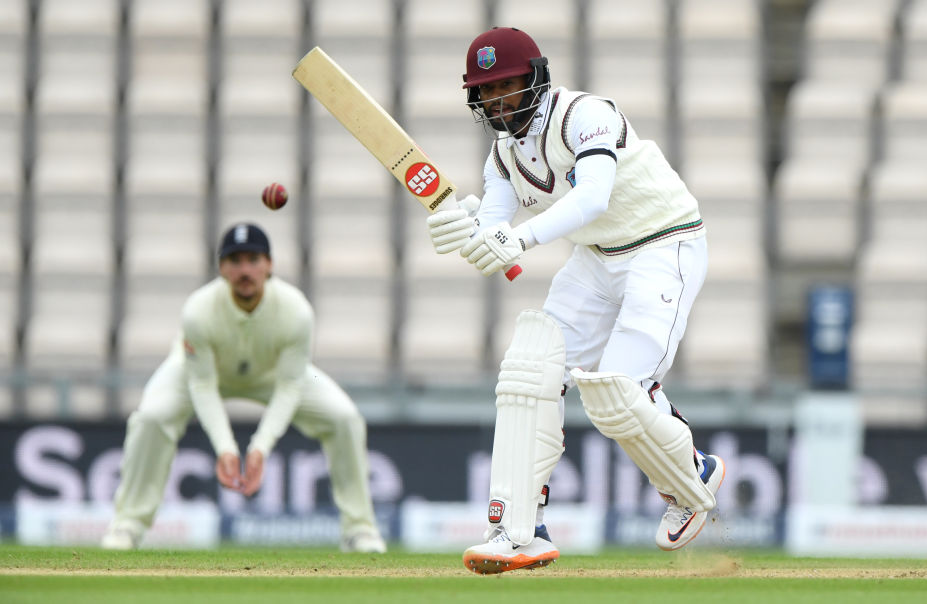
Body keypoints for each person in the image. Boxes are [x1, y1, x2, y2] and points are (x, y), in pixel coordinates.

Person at [426, 27, 725, 574]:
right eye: (487, 92)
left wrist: (518, 238)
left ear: (536, 78)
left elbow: (593, 195)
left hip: (665, 242)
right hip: (596, 258)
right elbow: (495, 230)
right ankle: (519, 531)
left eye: (508, 85)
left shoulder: (586, 114)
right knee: (528, 369)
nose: (498, 101)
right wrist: (465, 228)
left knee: (616, 391)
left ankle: (691, 476)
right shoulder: (503, 156)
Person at [101, 223, 386, 553]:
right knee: (151, 417)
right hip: (197, 371)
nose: (245, 270)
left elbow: (290, 384)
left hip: (274, 374)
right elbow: (202, 384)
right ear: (222, 268)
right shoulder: (198, 311)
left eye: (253, 259)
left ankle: (360, 529)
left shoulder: (296, 311)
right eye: (235, 261)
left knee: (344, 417)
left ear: (270, 265)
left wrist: (260, 448)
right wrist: (226, 448)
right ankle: (128, 525)